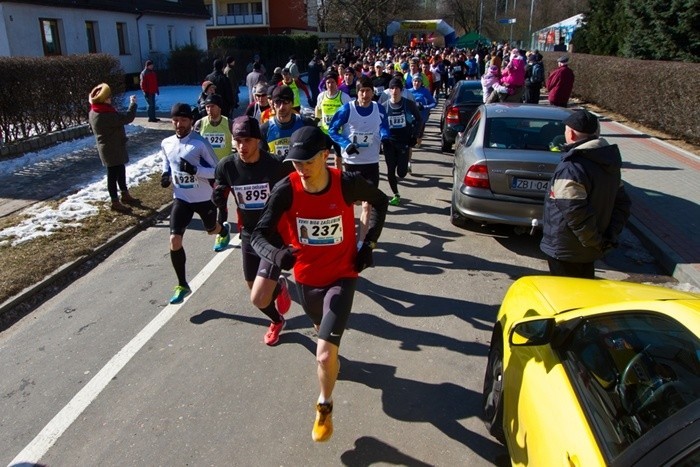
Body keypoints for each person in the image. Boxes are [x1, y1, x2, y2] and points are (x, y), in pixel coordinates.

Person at [251, 125, 388, 442]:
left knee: (324, 355)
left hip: (343, 274)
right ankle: (331, 352)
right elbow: (258, 234)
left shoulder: (346, 184)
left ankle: (324, 407)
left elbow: (380, 201)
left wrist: (368, 244)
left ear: (325, 156)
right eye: (295, 163)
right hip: (306, 279)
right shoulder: (287, 189)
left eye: (307, 162)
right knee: (323, 339)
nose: (300, 169)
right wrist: (276, 255)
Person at [213, 116, 292, 345]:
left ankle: (275, 321)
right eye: (237, 140)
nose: (241, 146)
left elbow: (295, 191)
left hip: (273, 236)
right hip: (249, 235)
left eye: (247, 140)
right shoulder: (227, 166)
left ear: (257, 140)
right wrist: (217, 196)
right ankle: (278, 309)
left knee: (258, 297)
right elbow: (220, 187)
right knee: (253, 289)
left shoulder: (276, 165)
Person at [540, 110, 631, 279]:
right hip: (591, 248)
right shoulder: (608, 163)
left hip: (567, 249)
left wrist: (594, 241)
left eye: (566, 130)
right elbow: (622, 204)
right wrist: (608, 237)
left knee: (566, 298)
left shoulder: (572, 168)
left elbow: (574, 212)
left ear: (572, 134)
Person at [159, 103, 230, 304]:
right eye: (175, 120)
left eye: (182, 120)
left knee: (211, 230)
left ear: (191, 121)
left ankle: (222, 231)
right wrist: (165, 174)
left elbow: (216, 170)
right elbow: (167, 160)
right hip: (181, 199)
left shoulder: (199, 144)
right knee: (174, 240)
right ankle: (182, 284)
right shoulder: (166, 143)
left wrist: (195, 170)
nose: (178, 124)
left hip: (203, 198)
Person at [328, 76, 391, 241]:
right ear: (357, 92)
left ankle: (361, 241)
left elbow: (385, 127)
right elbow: (332, 130)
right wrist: (346, 143)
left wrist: (385, 138)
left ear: (372, 92)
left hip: (371, 163)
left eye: (368, 91)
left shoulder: (379, 109)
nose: (365, 95)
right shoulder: (347, 109)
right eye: (362, 91)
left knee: (367, 204)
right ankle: (347, 236)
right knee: (350, 203)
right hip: (352, 163)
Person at [88, 83, 139, 213]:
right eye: (109, 97)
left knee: (120, 170)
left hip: (113, 146)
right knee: (112, 175)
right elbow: (127, 118)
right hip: (111, 148)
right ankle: (115, 201)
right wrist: (132, 104)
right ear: (103, 99)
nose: (111, 98)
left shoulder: (95, 111)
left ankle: (125, 194)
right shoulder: (105, 114)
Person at [193, 94, 235, 252]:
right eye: (207, 107)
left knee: (222, 202)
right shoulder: (200, 124)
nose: (209, 109)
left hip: (225, 170)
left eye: (212, 106)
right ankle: (221, 230)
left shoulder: (228, 123)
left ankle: (223, 233)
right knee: (215, 202)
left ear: (220, 108)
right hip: (207, 171)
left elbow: (236, 142)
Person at [383, 77, 421, 204]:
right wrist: (382, 139)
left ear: (401, 90)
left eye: (397, 88)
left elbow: (419, 119)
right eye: (392, 88)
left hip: (404, 142)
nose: (394, 91)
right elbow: (379, 124)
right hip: (389, 143)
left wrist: (414, 136)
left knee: (402, 173)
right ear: (389, 90)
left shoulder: (408, 104)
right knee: (390, 170)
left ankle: (405, 167)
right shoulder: (384, 107)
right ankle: (396, 194)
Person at [260, 85, 314, 159]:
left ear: (292, 103)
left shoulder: (306, 123)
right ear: (273, 105)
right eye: (278, 102)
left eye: (286, 102)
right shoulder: (265, 129)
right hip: (277, 169)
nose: (281, 107)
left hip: (299, 169)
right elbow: (261, 157)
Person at [315, 70, 352, 170]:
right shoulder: (321, 96)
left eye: (332, 82)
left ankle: (338, 176)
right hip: (325, 132)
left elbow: (350, 112)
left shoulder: (344, 97)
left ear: (337, 83)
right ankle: (325, 175)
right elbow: (318, 109)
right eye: (328, 82)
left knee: (338, 158)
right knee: (323, 158)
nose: (330, 85)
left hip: (338, 133)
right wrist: (316, 120)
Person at [408, 73, 436, 148]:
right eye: (415, 81)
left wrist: (424, 107)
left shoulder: (425, 91)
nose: (416, 83)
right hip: (410, 116)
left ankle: (418, 142)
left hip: (421, 116)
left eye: (419, 81)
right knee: (409, 134)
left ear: (421, 82)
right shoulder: (408, 91)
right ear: (412, 81)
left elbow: (433, 103)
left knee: (419, 134)